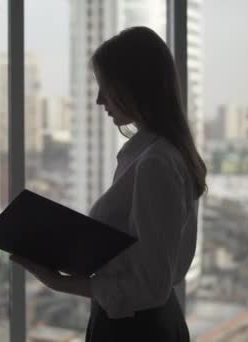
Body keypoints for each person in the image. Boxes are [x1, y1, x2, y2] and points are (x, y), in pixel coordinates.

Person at [11, 26, 206, 341]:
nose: (100, 100)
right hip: (137, 324)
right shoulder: (153, 154)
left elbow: (149, 287)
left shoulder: (154, 164)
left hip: (136, 331)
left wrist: (56, 281)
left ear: (135, 87)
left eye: (106, 87)